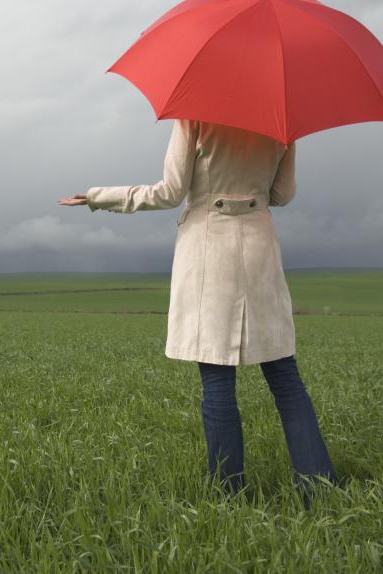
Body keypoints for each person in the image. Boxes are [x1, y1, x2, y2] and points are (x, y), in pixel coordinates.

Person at [58, 119, 337, 500]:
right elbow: (283, 194)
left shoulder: (195, 114)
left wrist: (96, 196)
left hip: (209, 250)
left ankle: (229, 496)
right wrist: (250, 192)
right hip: (259, 247)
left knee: (218, 379)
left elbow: (170, 192)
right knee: (285, 377)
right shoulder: (282, 119)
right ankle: (319, 488)